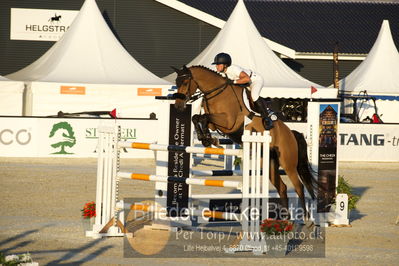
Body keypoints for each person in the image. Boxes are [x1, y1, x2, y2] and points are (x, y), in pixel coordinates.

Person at [212, 52, 276, 129]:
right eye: (216, 65)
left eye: (218, 65)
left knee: (254, 96)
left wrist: (234, 82)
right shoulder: (223, 73)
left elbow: (247, 78)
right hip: (244, 84)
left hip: (254, 80)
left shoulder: (233, 69)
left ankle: (267, 118)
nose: (216, 66)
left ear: (225, 65)